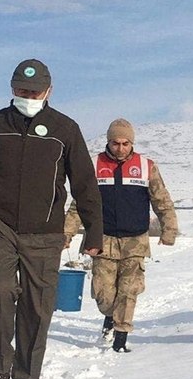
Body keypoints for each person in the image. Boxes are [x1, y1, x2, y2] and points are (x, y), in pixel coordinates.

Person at [0, 59, 103, 379]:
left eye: (33, 91)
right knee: (1, 292)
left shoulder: (65, 129)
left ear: (49, 91)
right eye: (21, 90)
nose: (27, 95)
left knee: (37, 308)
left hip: (46, 233)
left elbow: (84, 184)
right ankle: (0, 367)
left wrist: (93, 233)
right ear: (12, 89)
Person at [64, 118, 178, 352]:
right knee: (104, 294)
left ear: (132, 143)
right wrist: (66, 233)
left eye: (126, 143)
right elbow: (79, 206)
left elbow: (162, 200)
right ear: (109, 142)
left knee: (129, 291)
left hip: (135, 241)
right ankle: (110, 316)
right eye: (116, 143)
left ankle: (121, 338)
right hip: (101, 240)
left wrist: (169, 229)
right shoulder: (93, 165)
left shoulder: (147, 166)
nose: (120, 148)